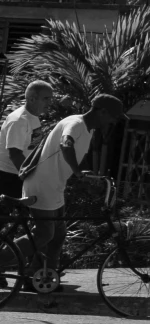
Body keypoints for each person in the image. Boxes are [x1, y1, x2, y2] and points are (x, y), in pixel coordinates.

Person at [19, 93, 124, 286]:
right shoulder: (75, 124)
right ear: (101, 112)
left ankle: (40, 278)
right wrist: (76, 172)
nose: (114, 121)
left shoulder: (88, 129)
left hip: (55, 186)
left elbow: (71, 152)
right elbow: (65, 144)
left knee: (58, 234)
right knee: (44, 234)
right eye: (113, 116)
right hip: (42, 185)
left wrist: (81, 171)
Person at [0, 80, 53, 216]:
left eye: (50, 98)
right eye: (46, 99)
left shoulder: (33, 117)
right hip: (5, 177)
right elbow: (15, 154)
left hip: (18, 175)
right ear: (32, 99)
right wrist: (32, 177)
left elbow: (32, 148)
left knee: (24, 221)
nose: (49, 103)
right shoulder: (20, 120)